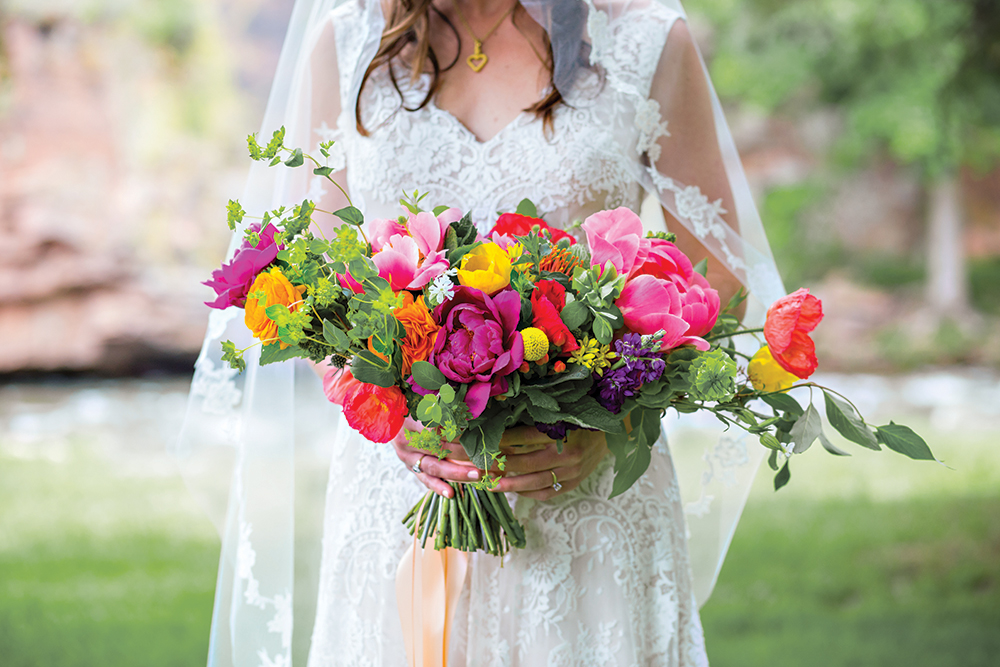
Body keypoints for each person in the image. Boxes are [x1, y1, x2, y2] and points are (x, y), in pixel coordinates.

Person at [176, 1, 784, 665]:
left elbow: (718, 275)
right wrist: (378, 402)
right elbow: (313, 279)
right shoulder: (349, 40)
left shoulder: (643, 39)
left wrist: (614, 424)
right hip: (400, 493)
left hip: (586, 496)